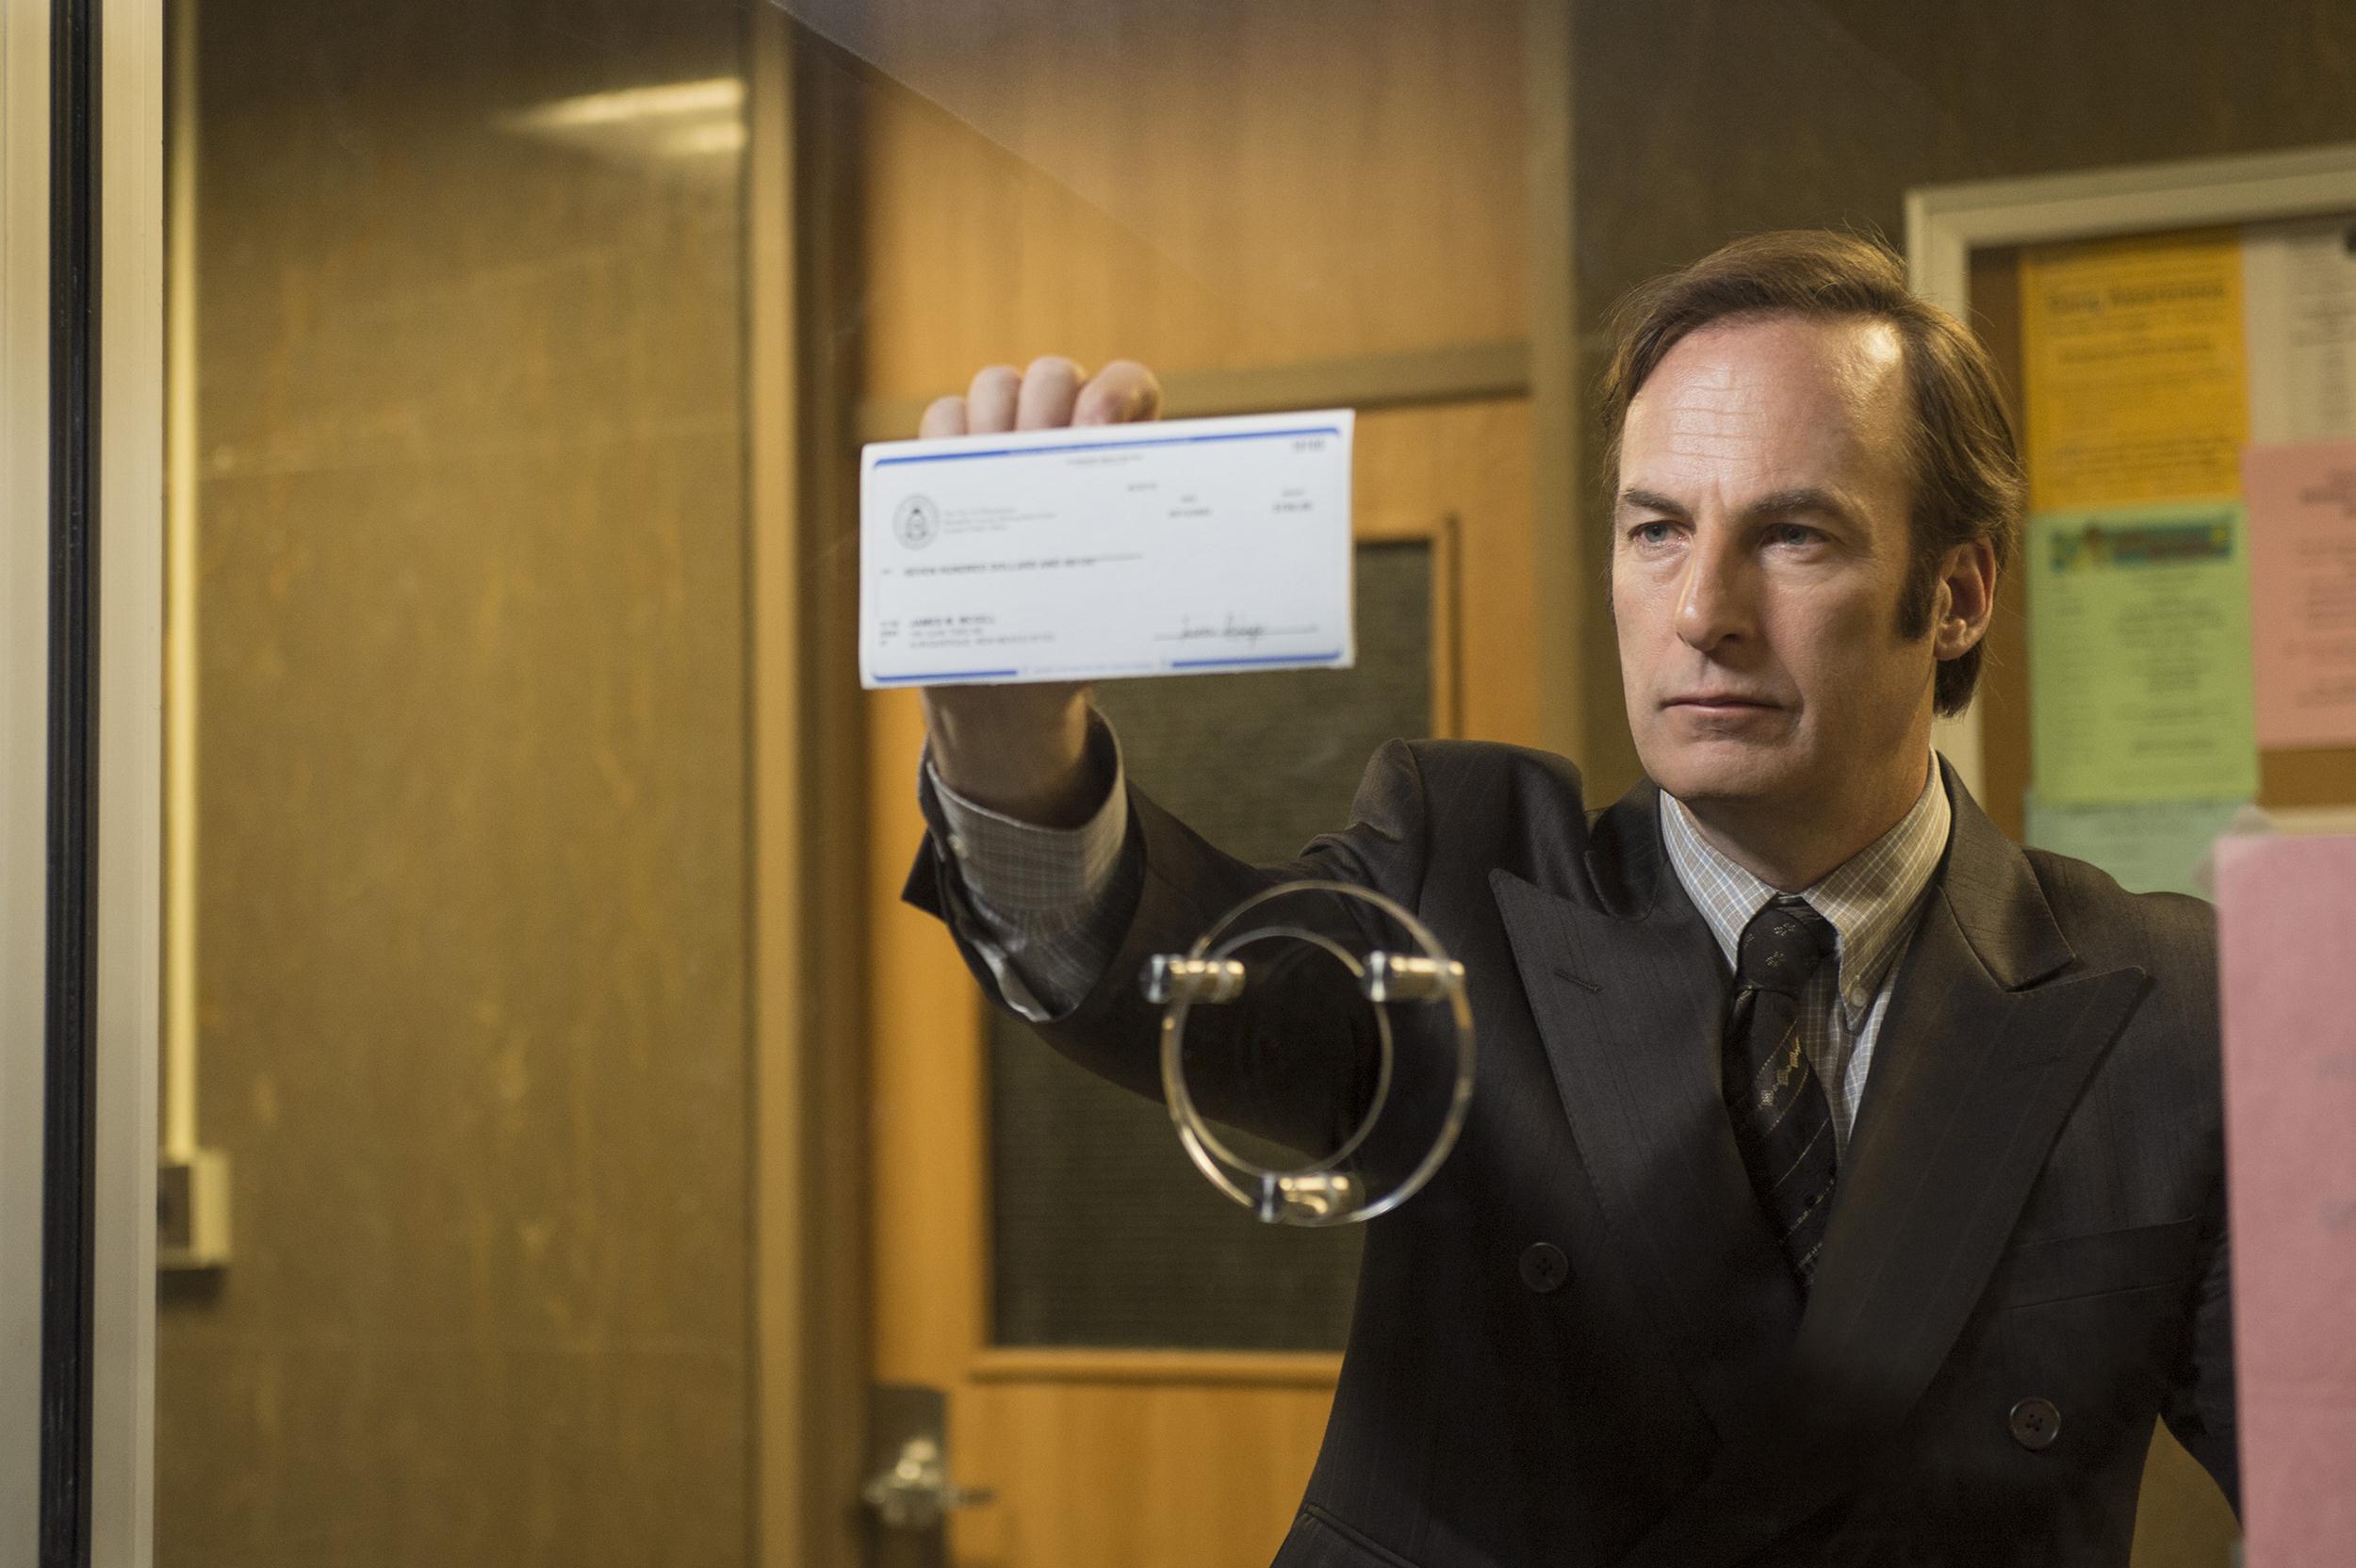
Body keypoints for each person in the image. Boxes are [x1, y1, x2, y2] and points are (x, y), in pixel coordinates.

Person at [901, 231, 2236, 1567]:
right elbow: (1174, 977)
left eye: (1792, 535)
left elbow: (2318, 1459)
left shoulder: (2172, 1002)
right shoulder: (1461, 876)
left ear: (1955, 596)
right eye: (1658, 530)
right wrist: (1008, 752)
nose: (1702, 610)